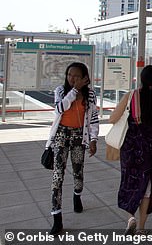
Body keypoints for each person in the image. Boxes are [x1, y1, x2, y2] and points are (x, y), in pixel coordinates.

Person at [109, 65, 152, 234]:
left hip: (131, 146)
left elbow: (112, 118)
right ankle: (141, 227)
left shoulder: (131, 96)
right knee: (147, 185)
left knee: (130, 180)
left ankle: (130, 217)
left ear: (141, 79)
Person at [48, 62, 99, 234]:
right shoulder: (60, 91)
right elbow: (60, 108)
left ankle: (77, 195)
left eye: (77, 76)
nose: (72, 78)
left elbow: (93, 119)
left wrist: (93, 139)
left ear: (85, 78)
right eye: (70, 75)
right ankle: (57, 217)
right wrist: (74, 91)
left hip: (79, 135)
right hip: (61, 134)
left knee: (78, 170)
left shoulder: (90, 94)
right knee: (58, 175)